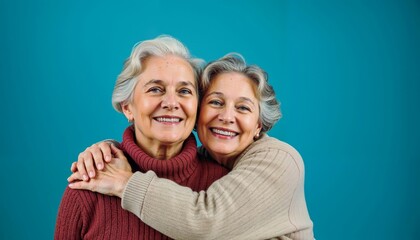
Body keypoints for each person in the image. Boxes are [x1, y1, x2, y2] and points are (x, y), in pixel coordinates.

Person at [69, 53, 314, 239]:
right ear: (198, 112)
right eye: (216, 102)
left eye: (243, 107)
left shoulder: (280, 160)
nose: (227, 117)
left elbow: (205, 221)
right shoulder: (206, 163)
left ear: (259, 125)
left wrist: (124, 182)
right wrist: (110, 151)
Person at [54, 35, 229, 239]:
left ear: (197, 107)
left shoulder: (222, 184)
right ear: (127, 107)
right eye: (155, 89)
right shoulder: (89, 184)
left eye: (184, 91)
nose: (171, 103)